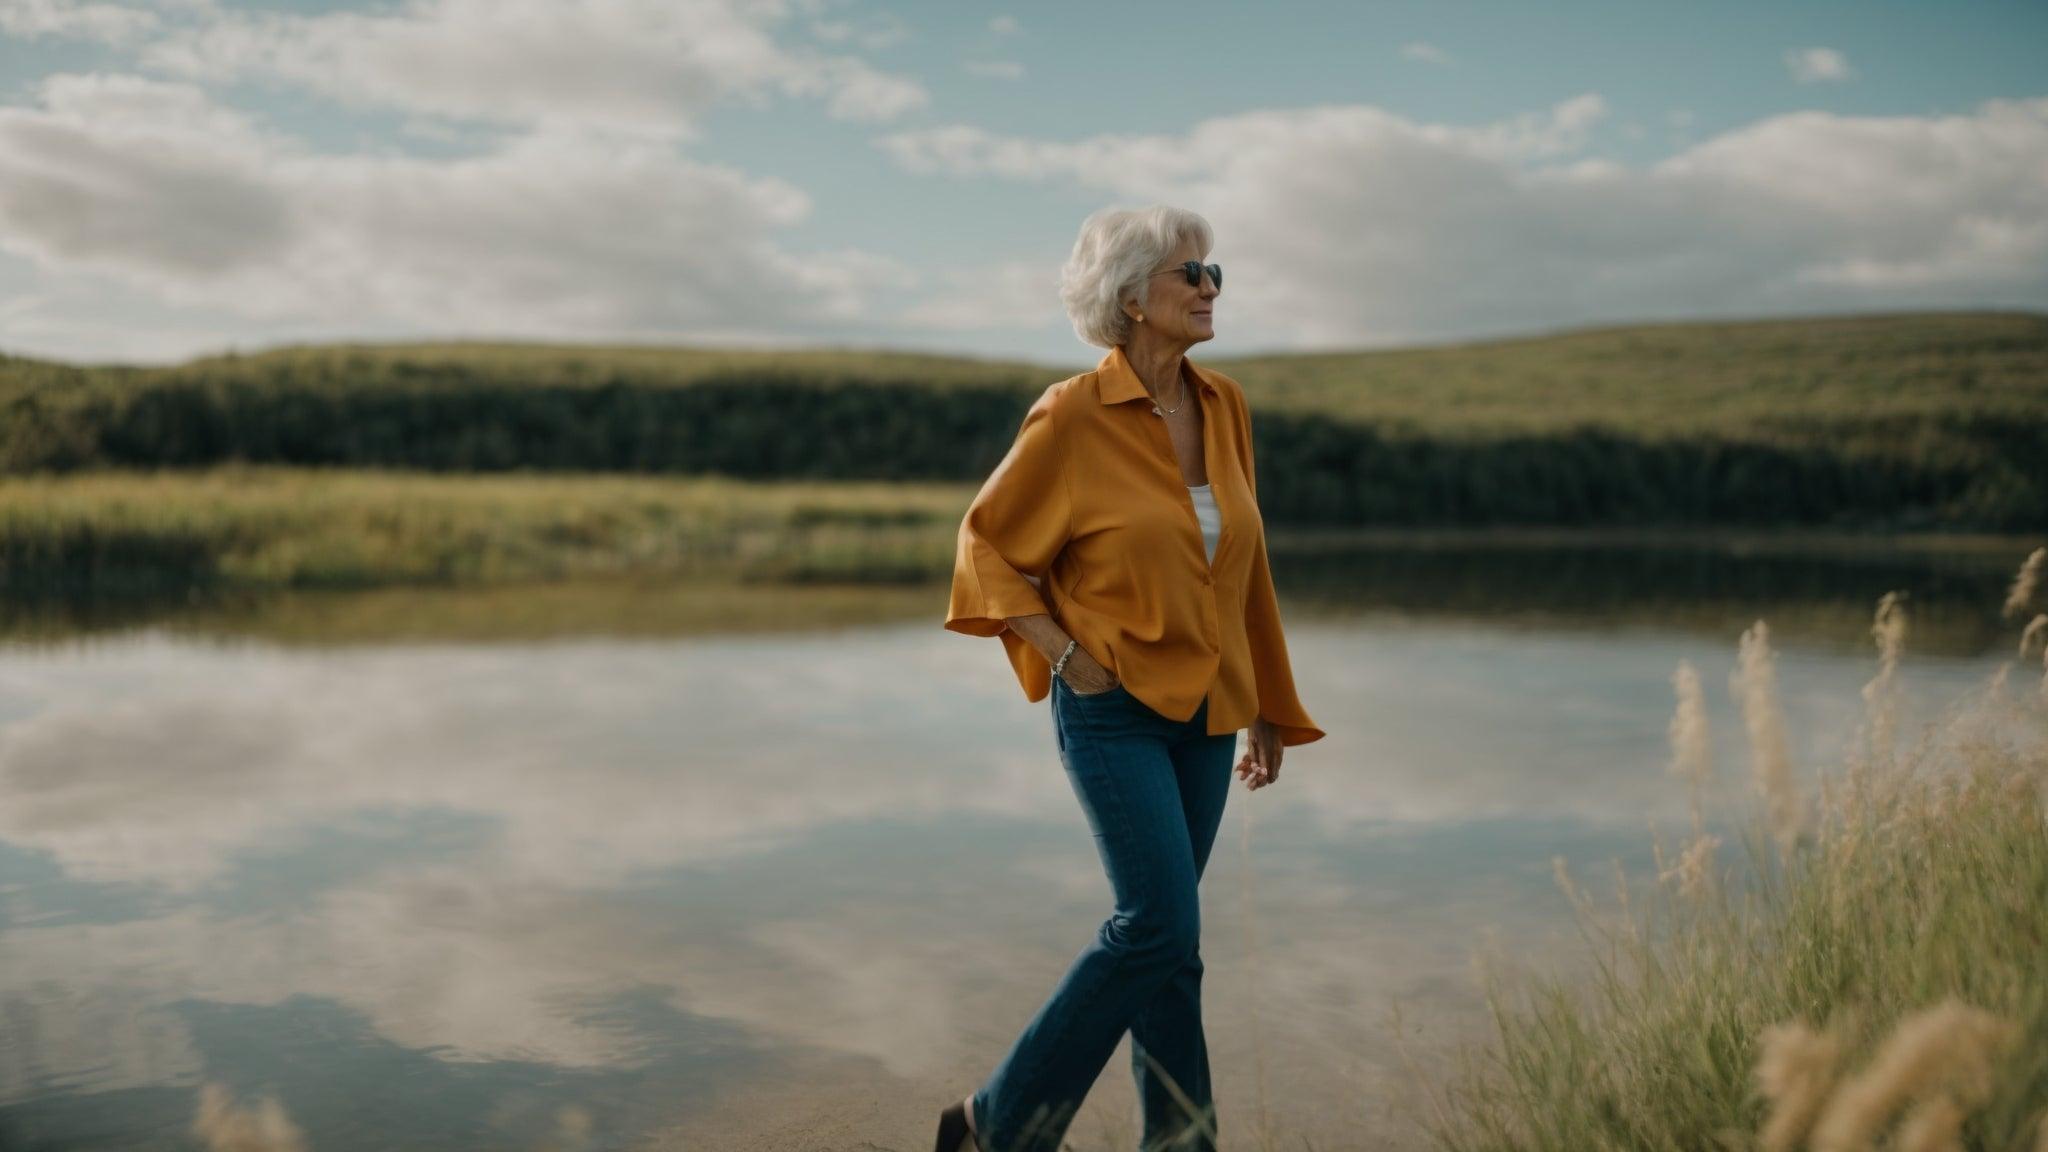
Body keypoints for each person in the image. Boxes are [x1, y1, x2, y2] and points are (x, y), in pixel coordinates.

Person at [935, 204, 1325, 1152]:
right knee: (1153, 924)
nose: (1209, 288)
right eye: (1189, 273)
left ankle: (1181, 1143)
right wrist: (1069, 657)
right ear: (1129, 298)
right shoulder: (1071, 414)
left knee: (1174, 949)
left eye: (1213, 272)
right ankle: (999, 1124)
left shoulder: (1225, 404)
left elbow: (1245, 567)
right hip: (1114, 711)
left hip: (1212, 711)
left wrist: (1269, 700)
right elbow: (985, 548)